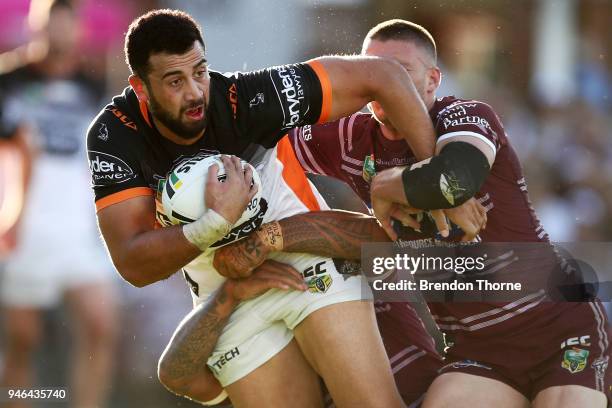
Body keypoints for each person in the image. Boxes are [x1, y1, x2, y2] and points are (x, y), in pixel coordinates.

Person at [87, 9, 440, 408]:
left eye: (200, 71)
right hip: (229, 295)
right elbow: (133, 265)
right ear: (140, 87)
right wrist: (216, 222)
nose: (195, 93)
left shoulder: (248, 100)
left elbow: (385, 75)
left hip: (307, 261)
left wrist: (438, 183)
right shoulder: (115, 135)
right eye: (174, 81)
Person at [361, 20, 610, 408]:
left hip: (559, 328)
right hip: (482, 349)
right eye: (370, 72)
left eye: (398, 71)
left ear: (433, 79)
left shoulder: (465, 114)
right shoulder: (352, 137)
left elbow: (453, 179)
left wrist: (385, 185)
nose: (383, 82)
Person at [0, 1, 118, 407]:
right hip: (25, 226)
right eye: (50, 27)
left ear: (78, 31)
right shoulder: (8, 81)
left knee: (101, 325)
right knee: (23, 342)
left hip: (79, 228)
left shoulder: (93, 85)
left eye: (66, 28)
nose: (58, 36)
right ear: (36, 28)